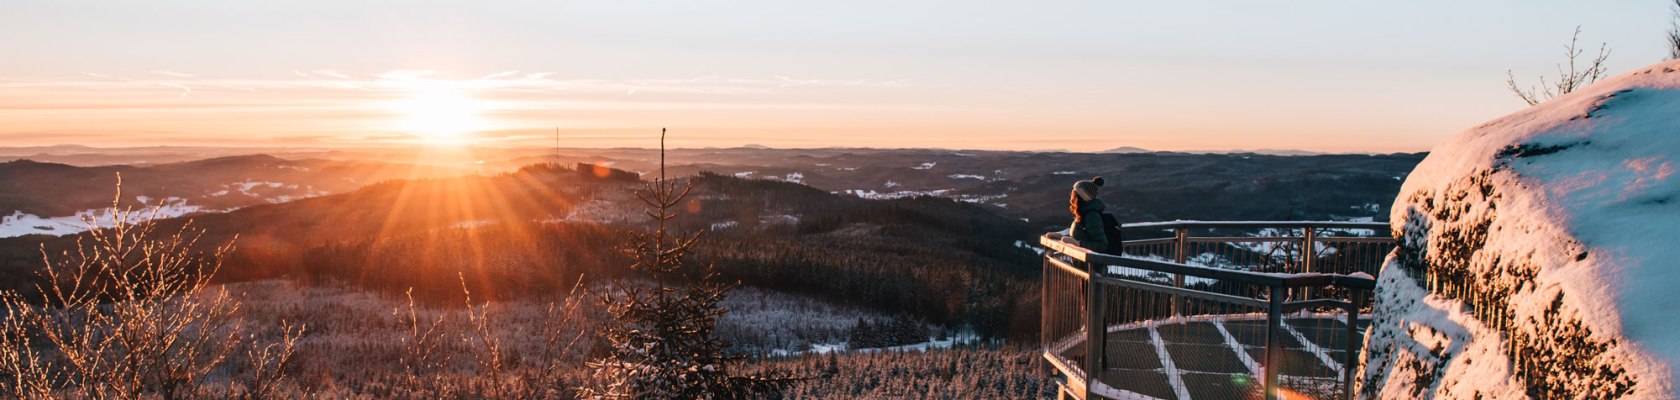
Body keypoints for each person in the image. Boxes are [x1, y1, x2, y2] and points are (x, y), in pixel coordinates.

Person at [1068, 176, 1109, 251]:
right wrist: (1060, 237)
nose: (1071, 197)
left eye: (1074, 194)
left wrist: (1078, 244)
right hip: (1083, 262)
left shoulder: (1092, 217)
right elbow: (1082, 236)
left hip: (1091, 262)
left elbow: (1102, 245)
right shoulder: (1083, 214)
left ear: (1080, 198)